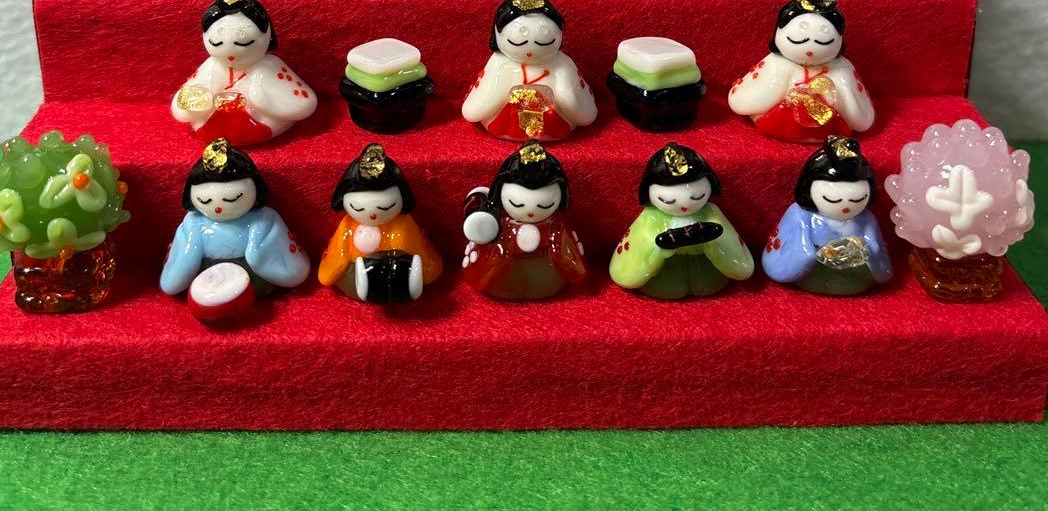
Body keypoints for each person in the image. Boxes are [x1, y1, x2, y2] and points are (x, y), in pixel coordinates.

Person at [160, 139, 309, 319]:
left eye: (231, 199)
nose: (218, 208)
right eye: (206, 200)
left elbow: (289, 265)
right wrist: (188, 259)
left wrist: (256, 255)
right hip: (206, 277)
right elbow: (182, 262)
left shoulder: (263, 219)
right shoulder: (193, 223)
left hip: (255, 276)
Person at [171, 0, 317, 147]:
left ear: (267, 36)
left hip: (257, 119)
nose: (231, 55)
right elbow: (184, 103)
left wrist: (258, 96)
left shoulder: (269, 65)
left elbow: (305, 103)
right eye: (216, 43)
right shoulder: (213, 65)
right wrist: (203, 98)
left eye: (243, 43)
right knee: (203, 122)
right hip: (215, 117)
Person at [728, 0, 874, 142]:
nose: (811, 45)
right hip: (779, 119)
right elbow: (744, 102)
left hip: (829, 126)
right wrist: (779, 81)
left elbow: (859, 118)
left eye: (823, 36)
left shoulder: (842, 69)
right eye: (802, 32)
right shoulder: (776, 63)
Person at [609, 143, 754, 298]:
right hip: (663, 276)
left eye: (697, 197)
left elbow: (740, 262)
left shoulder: (710, 212)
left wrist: (712, 242)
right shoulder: (650, 216)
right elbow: (631, 261)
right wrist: (660, 247)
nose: (685, 206)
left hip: (706, 273)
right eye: (668, 200)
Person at [461, 0, 596, 141]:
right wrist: (478, 107)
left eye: (542, 39)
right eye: (521, 40)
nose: (530, 50)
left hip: (552, 117)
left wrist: (567, 98)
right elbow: (489, 96)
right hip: (509, 115)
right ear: (497, 35)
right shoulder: (499, 62)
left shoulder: (562, 63)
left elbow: (571, 100)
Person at [762, 135, 892, 295]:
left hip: (855, 270)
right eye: (834, 199)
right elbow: (795, 244)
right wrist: (810, 253)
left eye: (856, 199)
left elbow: (875, 245)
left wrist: (868, 249)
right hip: (816, 269)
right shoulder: (801, 215)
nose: (846, 206)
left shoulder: (866, 218)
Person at [318, 143, 442, 303]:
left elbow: (416, 251)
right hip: (356, 270)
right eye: (359, 208)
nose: (373, 214)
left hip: (400, 271)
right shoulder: (349, 225)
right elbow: (339, 254)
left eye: (384, 207)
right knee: (349, 277)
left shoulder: (402, 223)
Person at [461, 141, 586, 300]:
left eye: (544, 205)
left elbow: (569, 257)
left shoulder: (555, 224)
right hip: (505, 274)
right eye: (517, 204)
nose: (531, 212)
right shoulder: (500, 222)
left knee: (548, 279)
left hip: (545, 272)